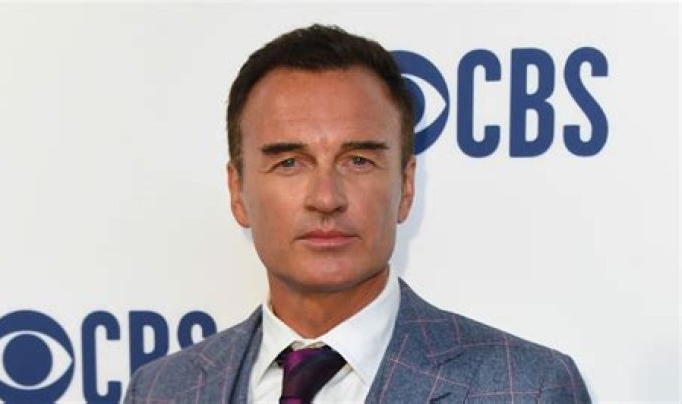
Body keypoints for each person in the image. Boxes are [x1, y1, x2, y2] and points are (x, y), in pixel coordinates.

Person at [124, 24, 590, 403]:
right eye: (290, 163)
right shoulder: (161, 390)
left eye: (358, 161)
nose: (326, 198)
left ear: (406, 187)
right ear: (238, 192)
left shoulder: (526, 388)